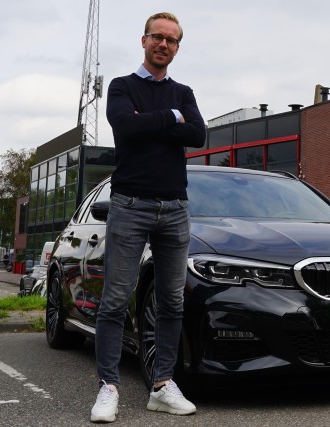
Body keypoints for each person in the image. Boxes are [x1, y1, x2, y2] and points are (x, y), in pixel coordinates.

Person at [90, 11, 206, 424]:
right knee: (116, 299)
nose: (164, 45)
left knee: (172, 300)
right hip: (129, 206)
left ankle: (162, 385)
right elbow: (124, 126)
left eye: (172, 40)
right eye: (158, 37)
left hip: (175, 209)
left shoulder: (185, 91)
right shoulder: (122, 86)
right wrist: (172, 119)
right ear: (143, 41)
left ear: (177, 47)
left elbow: (199, 135)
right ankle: (108, 386)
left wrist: (154, 123)